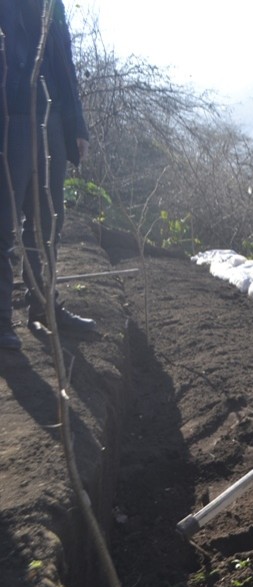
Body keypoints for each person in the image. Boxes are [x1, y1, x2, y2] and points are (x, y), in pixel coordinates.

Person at [0, 0, 94, 351]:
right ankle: (1, 322)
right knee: (3, 223)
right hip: (9, 118)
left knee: (47, 221)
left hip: (49, 119)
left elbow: (63, 58)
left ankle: (43, 305)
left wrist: (76, 126)